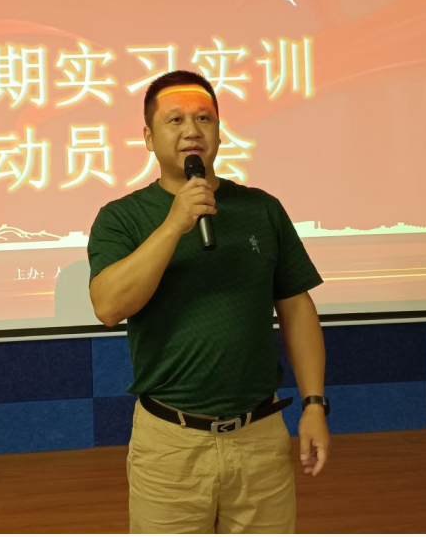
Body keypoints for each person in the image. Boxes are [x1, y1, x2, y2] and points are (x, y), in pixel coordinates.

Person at [88, 69, 329, 534]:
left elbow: (297, 308)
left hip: (261, 438)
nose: (192, 131)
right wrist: (174, 224)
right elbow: (109, 307)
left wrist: (315, 403)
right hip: (170, 444)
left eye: (204, 119)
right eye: (175, 120)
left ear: (219, 132)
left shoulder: (261, 208)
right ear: (148, 137)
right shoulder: (122, 218)